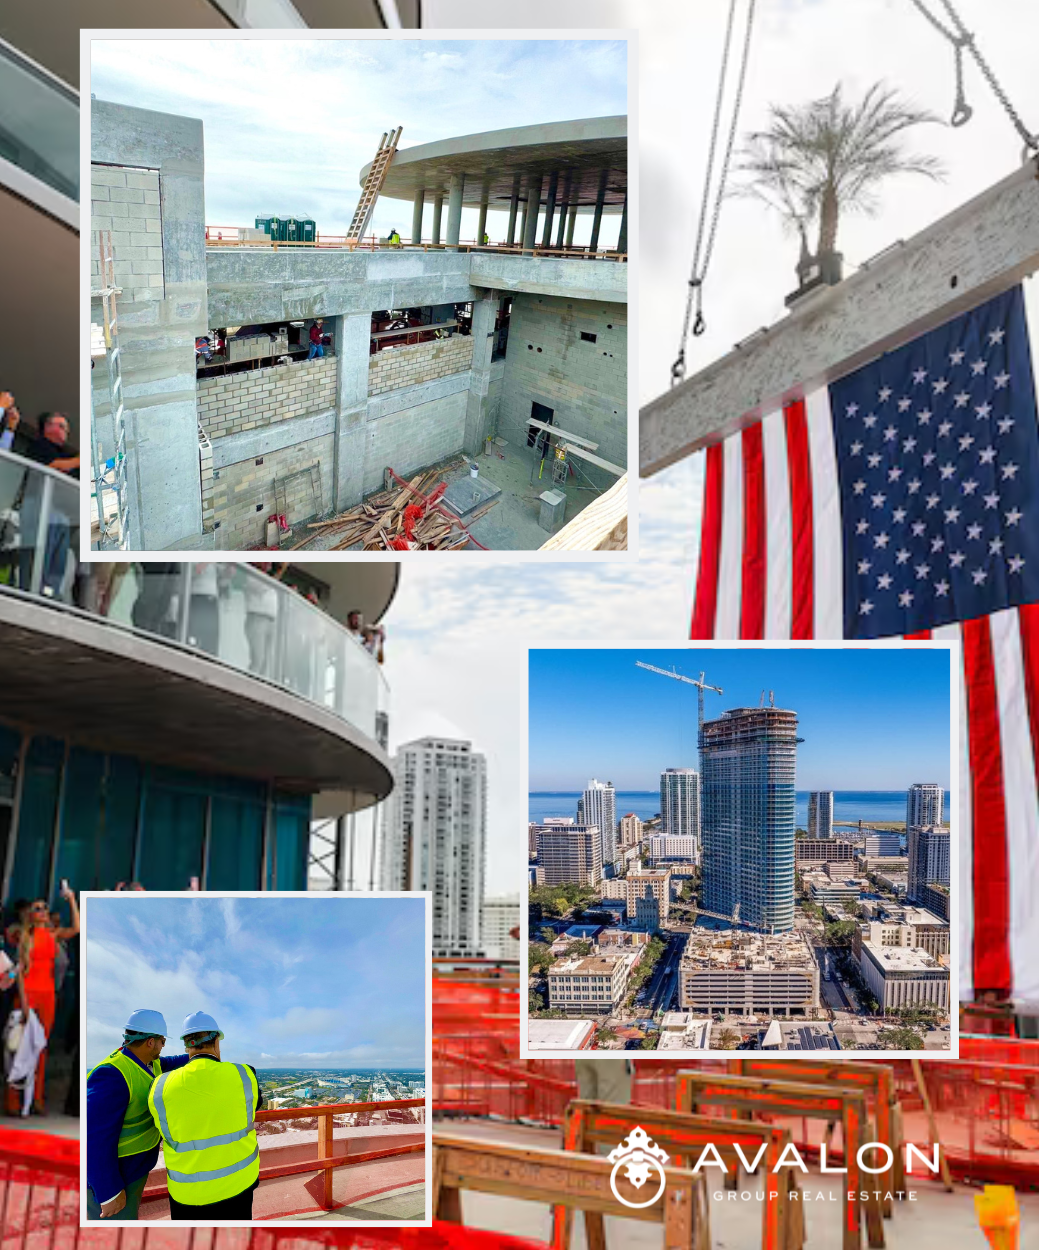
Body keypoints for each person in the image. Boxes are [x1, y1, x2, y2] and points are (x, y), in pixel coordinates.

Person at [148, 1011, 264, 1220]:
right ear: (216, 1040)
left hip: (189, 1193)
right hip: (240, 1183)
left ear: (186, 1045)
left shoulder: (159, 1086)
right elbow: (255, 1105)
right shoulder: (245, 1074)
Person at [86, 1009, 190, 1220]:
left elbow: (176, 1061)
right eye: (162, 1041)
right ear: (150, 1042)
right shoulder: (112, 1074)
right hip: (118, 1176)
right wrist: (108, 1192)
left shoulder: (151, 1063)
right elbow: (93, 1139)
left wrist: (202, 1052)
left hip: (135, 1169)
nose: (163, 1046)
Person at [6, 886, 79, 1114]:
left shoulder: (52, 933)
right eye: (38, 908)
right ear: (31, 914)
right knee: (19, 1047)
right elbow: (19, 971)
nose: (43, 911)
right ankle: (13, 1102)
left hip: (48, 994)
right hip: (28, 993)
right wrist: (25, 1002)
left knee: (40, 1048)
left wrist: (72, 900)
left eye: (45, 908)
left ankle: (36, 1100)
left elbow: (77, 928)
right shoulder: (24, 936)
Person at [22, 413, 78, 598]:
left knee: (58, 559)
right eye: (61, 426)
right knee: (41, 554)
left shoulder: (65, 453)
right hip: (39, 505)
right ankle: (34, 591)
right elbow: (53, 466)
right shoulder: (40, 446)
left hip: (61, 513)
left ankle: (50, 594)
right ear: (47, 427)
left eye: (66, 429)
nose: (65, 432)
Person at [243, 563, 279, 677]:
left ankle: (261, 683)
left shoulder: (268, 578)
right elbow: (261, 589)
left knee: (266, 662)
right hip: (257, 618)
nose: (269, 564)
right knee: (257, 659)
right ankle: (249, 687)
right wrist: (279, 572)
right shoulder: (251, 574)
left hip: (271, 620)